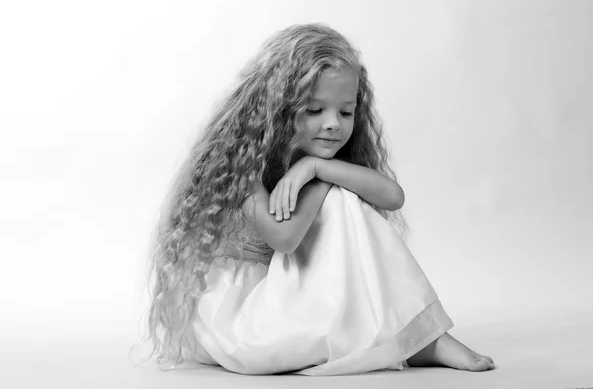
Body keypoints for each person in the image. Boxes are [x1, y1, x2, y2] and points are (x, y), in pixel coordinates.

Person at [130, 23, 495, 375]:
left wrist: (316, 169)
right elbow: (283, 238)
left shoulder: (314, 161)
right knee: (338, 196)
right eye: (314, 110)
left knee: (345, 198)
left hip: (283, 297)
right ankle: (417, 340)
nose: (333, 123)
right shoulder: (240, 162)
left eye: (345, 111)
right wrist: (322, 177)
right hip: (237, 320)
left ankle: (426, 337)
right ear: (277, 108)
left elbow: (392, 197)